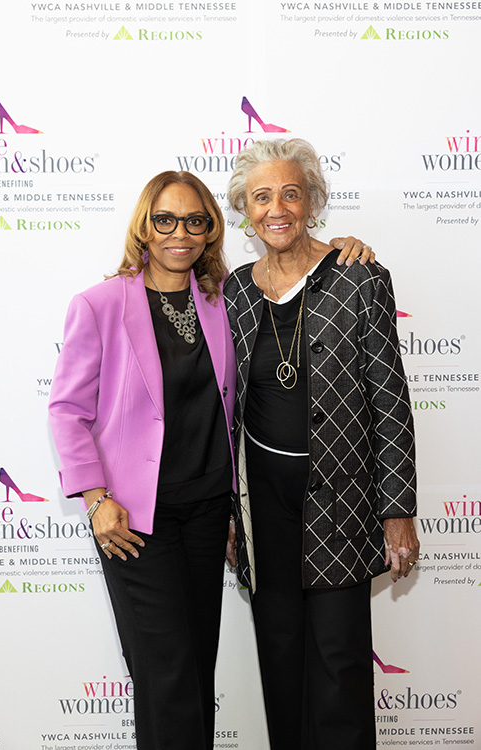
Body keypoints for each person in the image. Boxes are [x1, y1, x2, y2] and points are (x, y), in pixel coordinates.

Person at [48, 169, 371, 750]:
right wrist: (96, 498)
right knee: (167, 672)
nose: (180, 233)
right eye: (166, 220)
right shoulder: (99, 305)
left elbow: (293, 278)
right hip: (134, 520)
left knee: (197, 666)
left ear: (211, 231)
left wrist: (345, 247)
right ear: (145, 227)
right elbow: (67, 411)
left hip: (207, 516)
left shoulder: (225, 300)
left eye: (195, 221)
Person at [224, 139, 419, 750]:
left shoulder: (359, 277)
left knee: (339, 665)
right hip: (264, 506)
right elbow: (222, 410)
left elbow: (389, 401)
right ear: (245, 210)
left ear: (312, 201)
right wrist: (229, 511)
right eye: (261, 197)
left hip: (340, 501)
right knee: (280, 656)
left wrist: (397, 512)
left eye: (291, 193)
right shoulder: (234, 292)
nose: (276, 208)